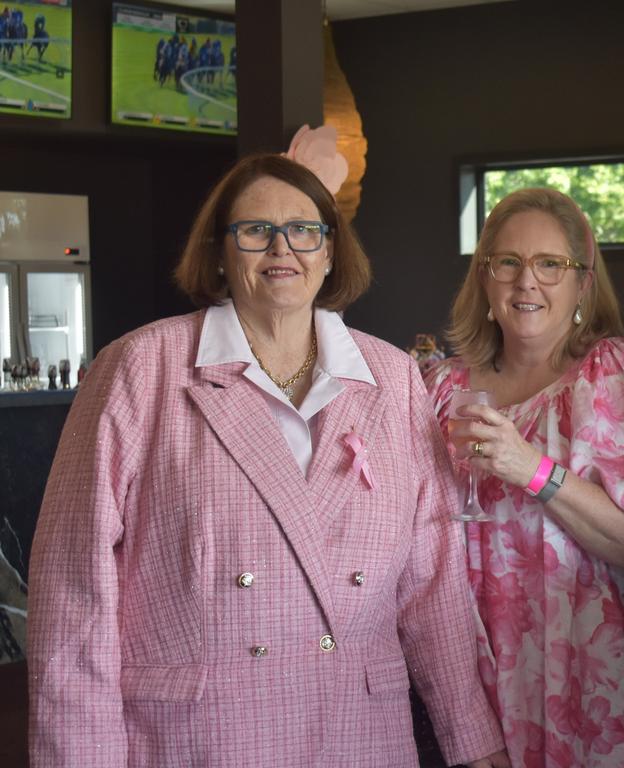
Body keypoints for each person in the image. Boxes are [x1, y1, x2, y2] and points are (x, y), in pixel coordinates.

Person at [27, 153, 509, 768]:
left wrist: (470, 735)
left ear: (331, 251)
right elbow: (73, 593)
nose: (283, 248)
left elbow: (431, 581)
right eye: (255, 231)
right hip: (199, 739)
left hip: (359, 733)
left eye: (305, 230)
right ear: (220, 253)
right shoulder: (139, 368)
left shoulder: (392, 377)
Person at [424, 187, 624, 767]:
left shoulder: (613, 375)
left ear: (582, 283)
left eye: (549, 265)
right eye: (507, 262)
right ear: (484, 280)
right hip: (476, 680)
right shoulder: (441, 389)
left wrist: (532, 469)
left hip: (592, 684)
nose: (526, 282)